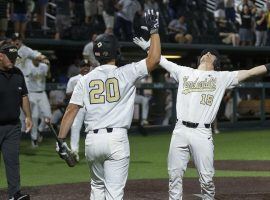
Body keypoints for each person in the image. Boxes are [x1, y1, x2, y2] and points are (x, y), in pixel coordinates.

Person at [134, 38, 270, 200]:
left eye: (211, 53)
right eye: (204, 52)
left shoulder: (221, 77)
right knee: (174, 176)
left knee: (206, 179)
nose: (207, 53)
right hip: (180, 130)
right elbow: (161, 60)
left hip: (201, 132)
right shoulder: (184, 71)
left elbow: (251, 72)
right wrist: (149, 47)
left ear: (216, 61)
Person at [57, 9, 160, 199]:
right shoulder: (126, 73)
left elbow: (71, 110)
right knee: (114, 193)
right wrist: (154, 31)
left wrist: (61, 140)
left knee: (97, 189)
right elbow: (154, 59)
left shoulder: (84, 80)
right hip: (116, 140)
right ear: (116, 51)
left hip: (92, 142)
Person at [0, 43, 32, 200]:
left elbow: (24, 96)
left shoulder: (18, 73)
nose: (13, 60)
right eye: (10, 57)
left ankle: (14, 194)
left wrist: (28, 116)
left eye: (15, 57)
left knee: (12, 162)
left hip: (13, 126)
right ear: (0, 56)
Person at [65, 59, 91, 161]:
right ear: (79, 68)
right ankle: (74, 151)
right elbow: (68, 93)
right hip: (79, 107)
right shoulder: (73, 79)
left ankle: (91, 150)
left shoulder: (93, 77)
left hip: (90, 107)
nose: (85, 68)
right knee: (75, 127)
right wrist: (79, 95)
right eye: (83, 66)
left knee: (92, 128)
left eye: (87, 66)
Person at [27, 58, 51, 147]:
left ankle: (40, 130)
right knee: (34, 116)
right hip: (32, 93)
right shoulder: (28, 65)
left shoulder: (43, 66)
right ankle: (34, 139)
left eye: (38, 58)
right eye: (36, 58)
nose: (37, 60)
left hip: (42, 93)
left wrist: (49, 67)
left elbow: (48, 76)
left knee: (48, 116)